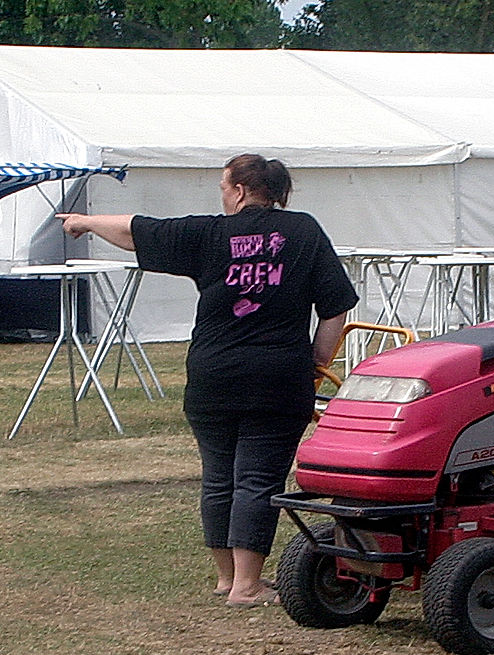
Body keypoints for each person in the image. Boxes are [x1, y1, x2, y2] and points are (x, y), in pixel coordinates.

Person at [58, 154, 357, 608]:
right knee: (257, 479)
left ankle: (227, 579)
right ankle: (247, 586)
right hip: (275, 377)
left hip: (212, 375)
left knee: (219, 478)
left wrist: (85, 221)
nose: (221, 194)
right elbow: (336, 305)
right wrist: (316, 361)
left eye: (223, 186)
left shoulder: (210, 234)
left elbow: (136, 231)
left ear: (239, 190)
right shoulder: (304, 231)